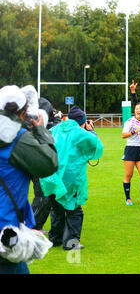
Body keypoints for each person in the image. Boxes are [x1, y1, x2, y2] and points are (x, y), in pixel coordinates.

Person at [0, 85, 58, 274]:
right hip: (5, 232)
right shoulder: (17, 138)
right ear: (22, 113)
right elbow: (49, 164)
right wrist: (40, 130)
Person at [40, 106, 103, 251]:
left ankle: (55, 239)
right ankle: (71, 242)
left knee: (56, 208)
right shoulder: (80, 132)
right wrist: (91, 130)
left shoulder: (55, 129)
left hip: (52, 177)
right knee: (74, 211)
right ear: (83, 121)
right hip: (71, 178)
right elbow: (96, 146)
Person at [31, 97, 63, 234]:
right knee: (42, 196)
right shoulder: (39, 124)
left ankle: (36, 225)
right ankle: (33, 226)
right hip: (38, 163)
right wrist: (57, 120)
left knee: (46, 197)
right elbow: (50, 135)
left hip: (38, 162)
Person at [121, 102, 140, 206]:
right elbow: (123, 135)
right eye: (137, 109)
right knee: (129, 174)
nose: (138, 110)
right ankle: (128, 198)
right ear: (134, 111)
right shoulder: (129, 121)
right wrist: (134, 132)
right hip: (130, 149)